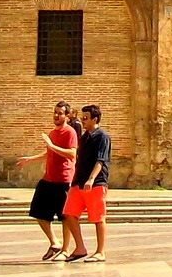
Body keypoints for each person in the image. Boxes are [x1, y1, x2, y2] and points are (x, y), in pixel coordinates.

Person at [16, 101, 79, 262]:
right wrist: (30, 159)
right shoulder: (53, 132)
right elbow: (49, 153)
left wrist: (51, 145)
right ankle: (54, 243)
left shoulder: (70, 132)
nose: (57, 115)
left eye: (60, 113)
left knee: (65, 216)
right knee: (37, 211)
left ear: (67, 116)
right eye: (55, 112)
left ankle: (65, 250)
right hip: (48, 179)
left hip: (64, 179)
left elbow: (72, 154)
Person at [62, 103, 111, 262]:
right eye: (82, 117)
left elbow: (101, 160)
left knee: (98, 218)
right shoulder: (84, 137)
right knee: (69, 213)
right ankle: (80, 247)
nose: (82, 120)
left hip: (96, 184)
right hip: (78, 183)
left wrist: (91, 179)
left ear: (95, 119)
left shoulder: (102, 136)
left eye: (86, 118)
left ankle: (100, 251)